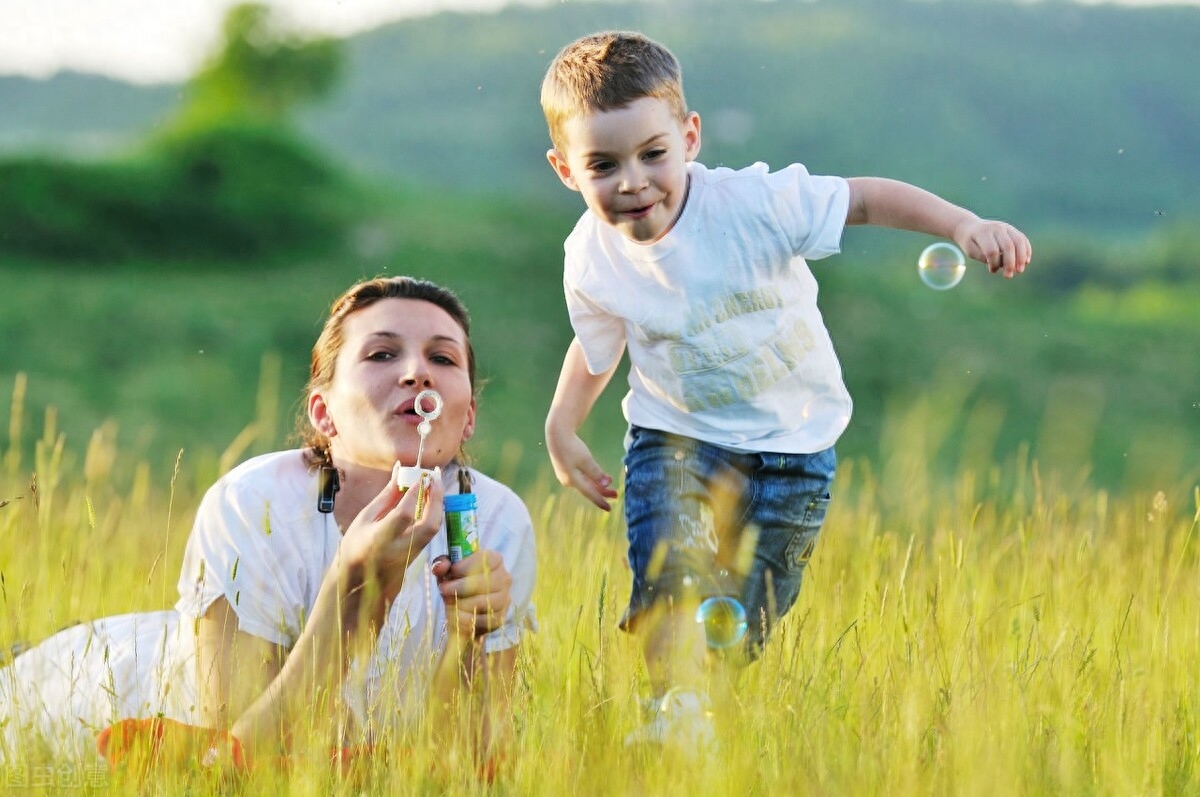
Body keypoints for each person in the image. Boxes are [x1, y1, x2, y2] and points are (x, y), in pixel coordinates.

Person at [539, 31, 1031, 750]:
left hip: (795, 447)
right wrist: (562, 424)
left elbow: (864, 199)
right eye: (602, 165)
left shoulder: (753, 204)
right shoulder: (590, 256)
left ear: (690, 136)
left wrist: (964, 223)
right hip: (672, 436)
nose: (633, 181)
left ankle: (704, 700)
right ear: (564, 171)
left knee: (749, 609)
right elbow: (597, 346)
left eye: (653, 154)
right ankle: (670, 711)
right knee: (668, 569)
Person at [0, 276, 537, 775]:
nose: (417, 372)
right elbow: (241, 762)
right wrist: (347, 605)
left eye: (442, 358)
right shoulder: (252, 504)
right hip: (88, 703)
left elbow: (465, 765)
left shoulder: (494, 521)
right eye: (381, 353)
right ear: (324, 413)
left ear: (467, 415)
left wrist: (468, 639)